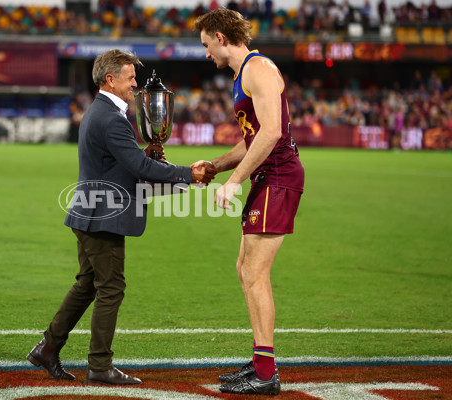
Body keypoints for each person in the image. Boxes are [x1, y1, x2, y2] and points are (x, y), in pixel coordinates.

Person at [26, 49, 216, 386]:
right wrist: (190, 174)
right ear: (110, 79)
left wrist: (151, 158)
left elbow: (120, 162)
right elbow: (139, 168)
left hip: (90, 213)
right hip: (104, 217)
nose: (135, 85)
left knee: (87, 284)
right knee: (111, 288)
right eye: (130, 78)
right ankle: (99, 365)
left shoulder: (100, 113)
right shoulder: (111, 118)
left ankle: (48, 347)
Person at [193, 8, 304, 395]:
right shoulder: (244, 74)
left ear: (221, 38)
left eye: (207, 45)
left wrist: (234, 181)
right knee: (245, 268)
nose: (207, 53)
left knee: (255, 273)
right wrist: (217, 166)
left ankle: (265, 372)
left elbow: (271, 132)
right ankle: (261, 363)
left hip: (277, 177)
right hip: (268, 177)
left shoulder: (257, 69)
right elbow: (252, 138)